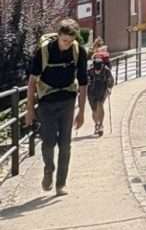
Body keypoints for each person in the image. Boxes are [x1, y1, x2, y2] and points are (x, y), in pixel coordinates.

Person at [24, 18, 87, 196]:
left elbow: (83, 83)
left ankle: (61, 184)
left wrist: (82, 112)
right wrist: (30, 110)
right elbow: (31, 82)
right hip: (46, 102)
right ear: (58, 36)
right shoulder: (43, 52)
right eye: (64, 40)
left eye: (70, 41)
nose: (66, 45)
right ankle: (48, 169)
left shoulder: (78, 51)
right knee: (48, 142)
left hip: (68, 100)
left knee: (65, 144)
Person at [87, 52, 114, 136]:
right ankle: (96, 124)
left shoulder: (106, 70)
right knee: (94, 109)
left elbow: (110, 80)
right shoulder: (89, 70)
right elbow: (84, 80)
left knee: (100, 104)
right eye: (96, 62)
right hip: (91, 91)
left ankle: (101, 124)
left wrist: (109, 88)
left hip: (102, 90)